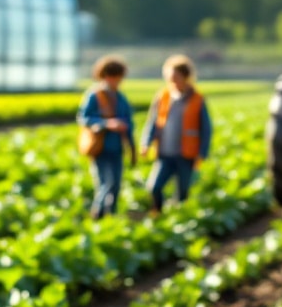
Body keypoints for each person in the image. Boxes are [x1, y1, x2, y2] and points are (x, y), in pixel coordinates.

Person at [139, 54, 212, 213]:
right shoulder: (163, 96)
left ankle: (179, 220)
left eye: (175, 77)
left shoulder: (197, 99)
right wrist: (146, 143)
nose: (172, 81)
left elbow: (206, 129)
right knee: (154, 187)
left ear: (185, 77)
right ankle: (158, 212)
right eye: (169, 78)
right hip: (165, 153)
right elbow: (153, 122)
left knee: (182, 193)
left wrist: (202, 153)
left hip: (186, 154)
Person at [76, 55, 134, 219]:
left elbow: (129, 123)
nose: (115, 81)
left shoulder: (121, 98)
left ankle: (111, 215)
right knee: (104, 184)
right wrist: (106, 123)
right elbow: (84, 118)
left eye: (118, 77)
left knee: (115, 185)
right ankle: (98, 215)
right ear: (104, 76)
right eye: (112, 76)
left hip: (116, 148)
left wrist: (132, 147)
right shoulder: (95, 96)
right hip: (100, 148)